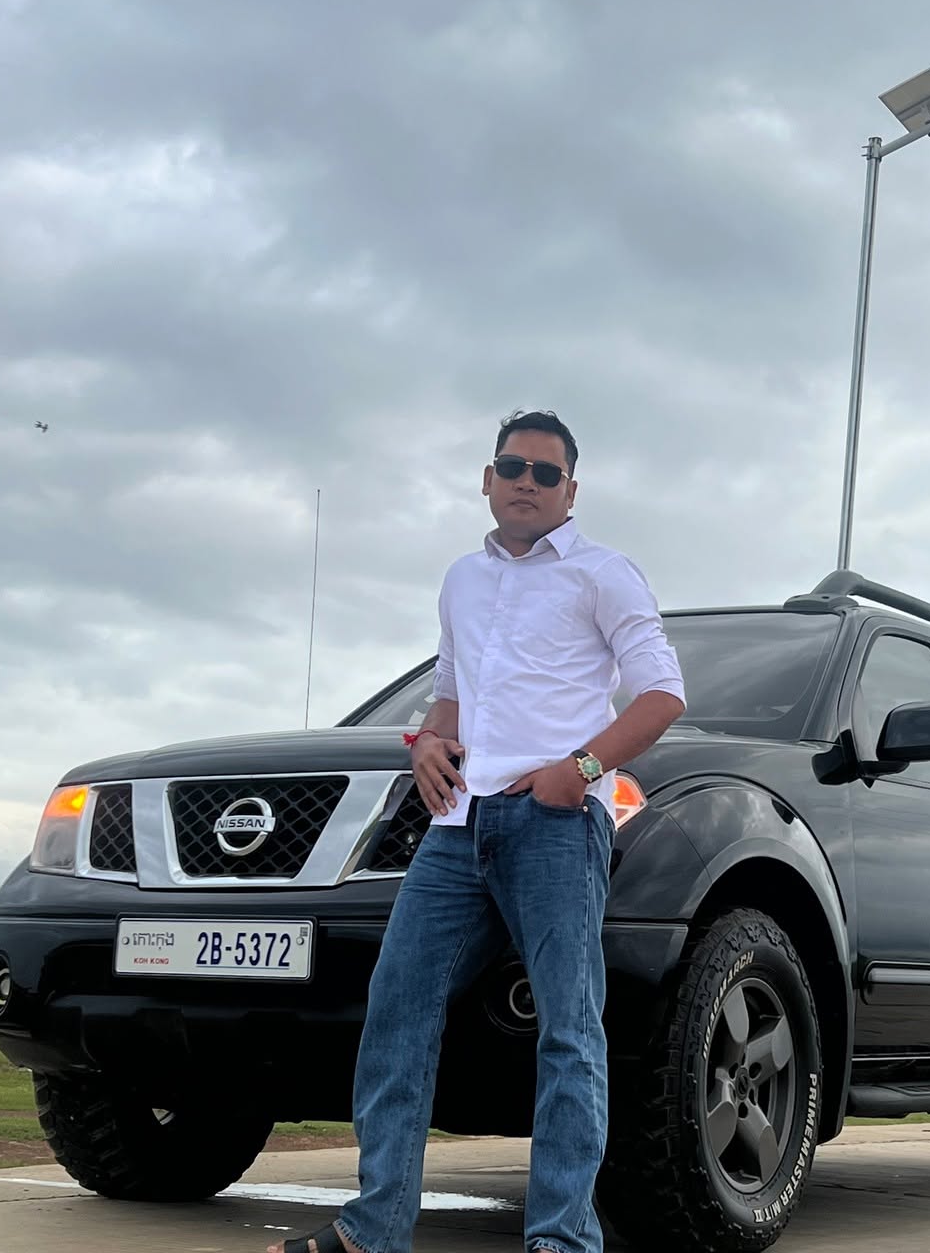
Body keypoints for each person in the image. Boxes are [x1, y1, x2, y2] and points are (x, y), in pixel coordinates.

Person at [273, 409, 686, 1253]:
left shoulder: (604, 574)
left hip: (554, 824)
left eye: (547, 473)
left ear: (571, 490)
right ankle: (374, 1229)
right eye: (513, 467)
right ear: (487, 479)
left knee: (569, 1031)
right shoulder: (462, 580)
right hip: (457, 828)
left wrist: (580, 770)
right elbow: (452, 697)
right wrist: (427, 742)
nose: (528, 483)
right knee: (397, 1010)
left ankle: (561, 1239)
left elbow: (662, 695)